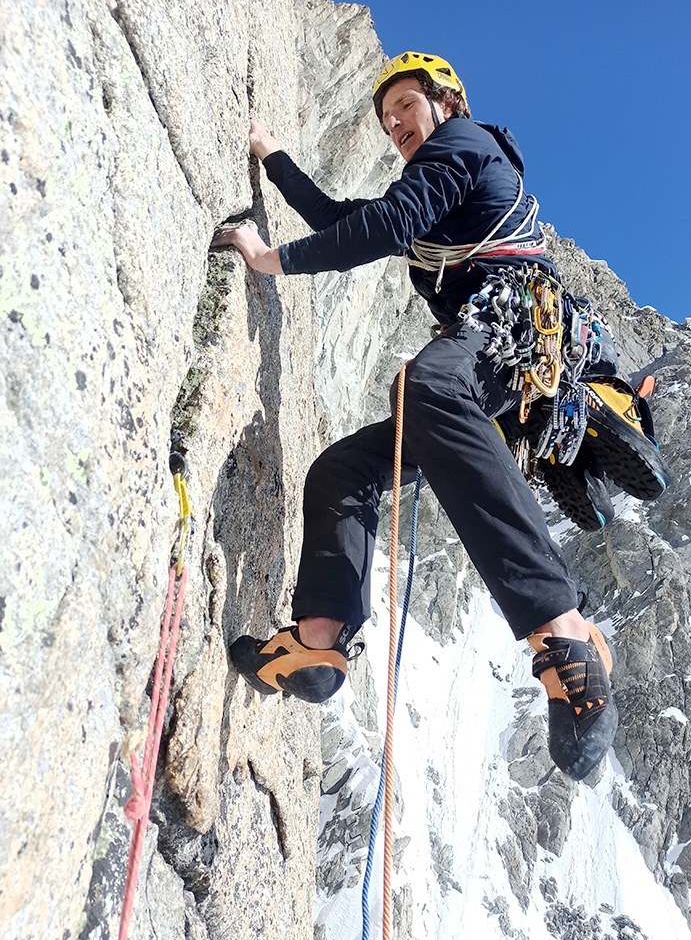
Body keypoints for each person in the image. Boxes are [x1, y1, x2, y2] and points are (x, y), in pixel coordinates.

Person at [212, 52, 666, 780]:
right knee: (346, 469)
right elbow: (343, 219)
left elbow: (385, 224)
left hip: (513, 323)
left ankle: (567, 634)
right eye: (387, 119)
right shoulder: (437, 196)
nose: (395, 125)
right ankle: (317, 641)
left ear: (446, 102)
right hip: (486, 369)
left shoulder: (465, 145)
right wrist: (272, 159)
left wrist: (272, 261)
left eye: (406, 106)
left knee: (424, 386)